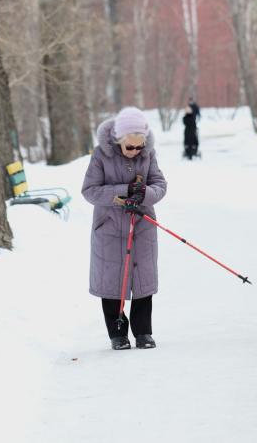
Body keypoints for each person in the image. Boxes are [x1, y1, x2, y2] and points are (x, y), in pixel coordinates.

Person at [81, 107, 168, 350]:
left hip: (142, 225)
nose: (135, 152)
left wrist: (145, 194)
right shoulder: (100, 156)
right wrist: (122, 192)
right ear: (118, 140)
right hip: (109, 228)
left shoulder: (147, 155)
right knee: (112, 281)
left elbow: (160, 185)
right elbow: (90, 191)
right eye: (130, 147)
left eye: (140, 146)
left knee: (142, 280)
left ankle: (143, 332)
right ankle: (117, 334)